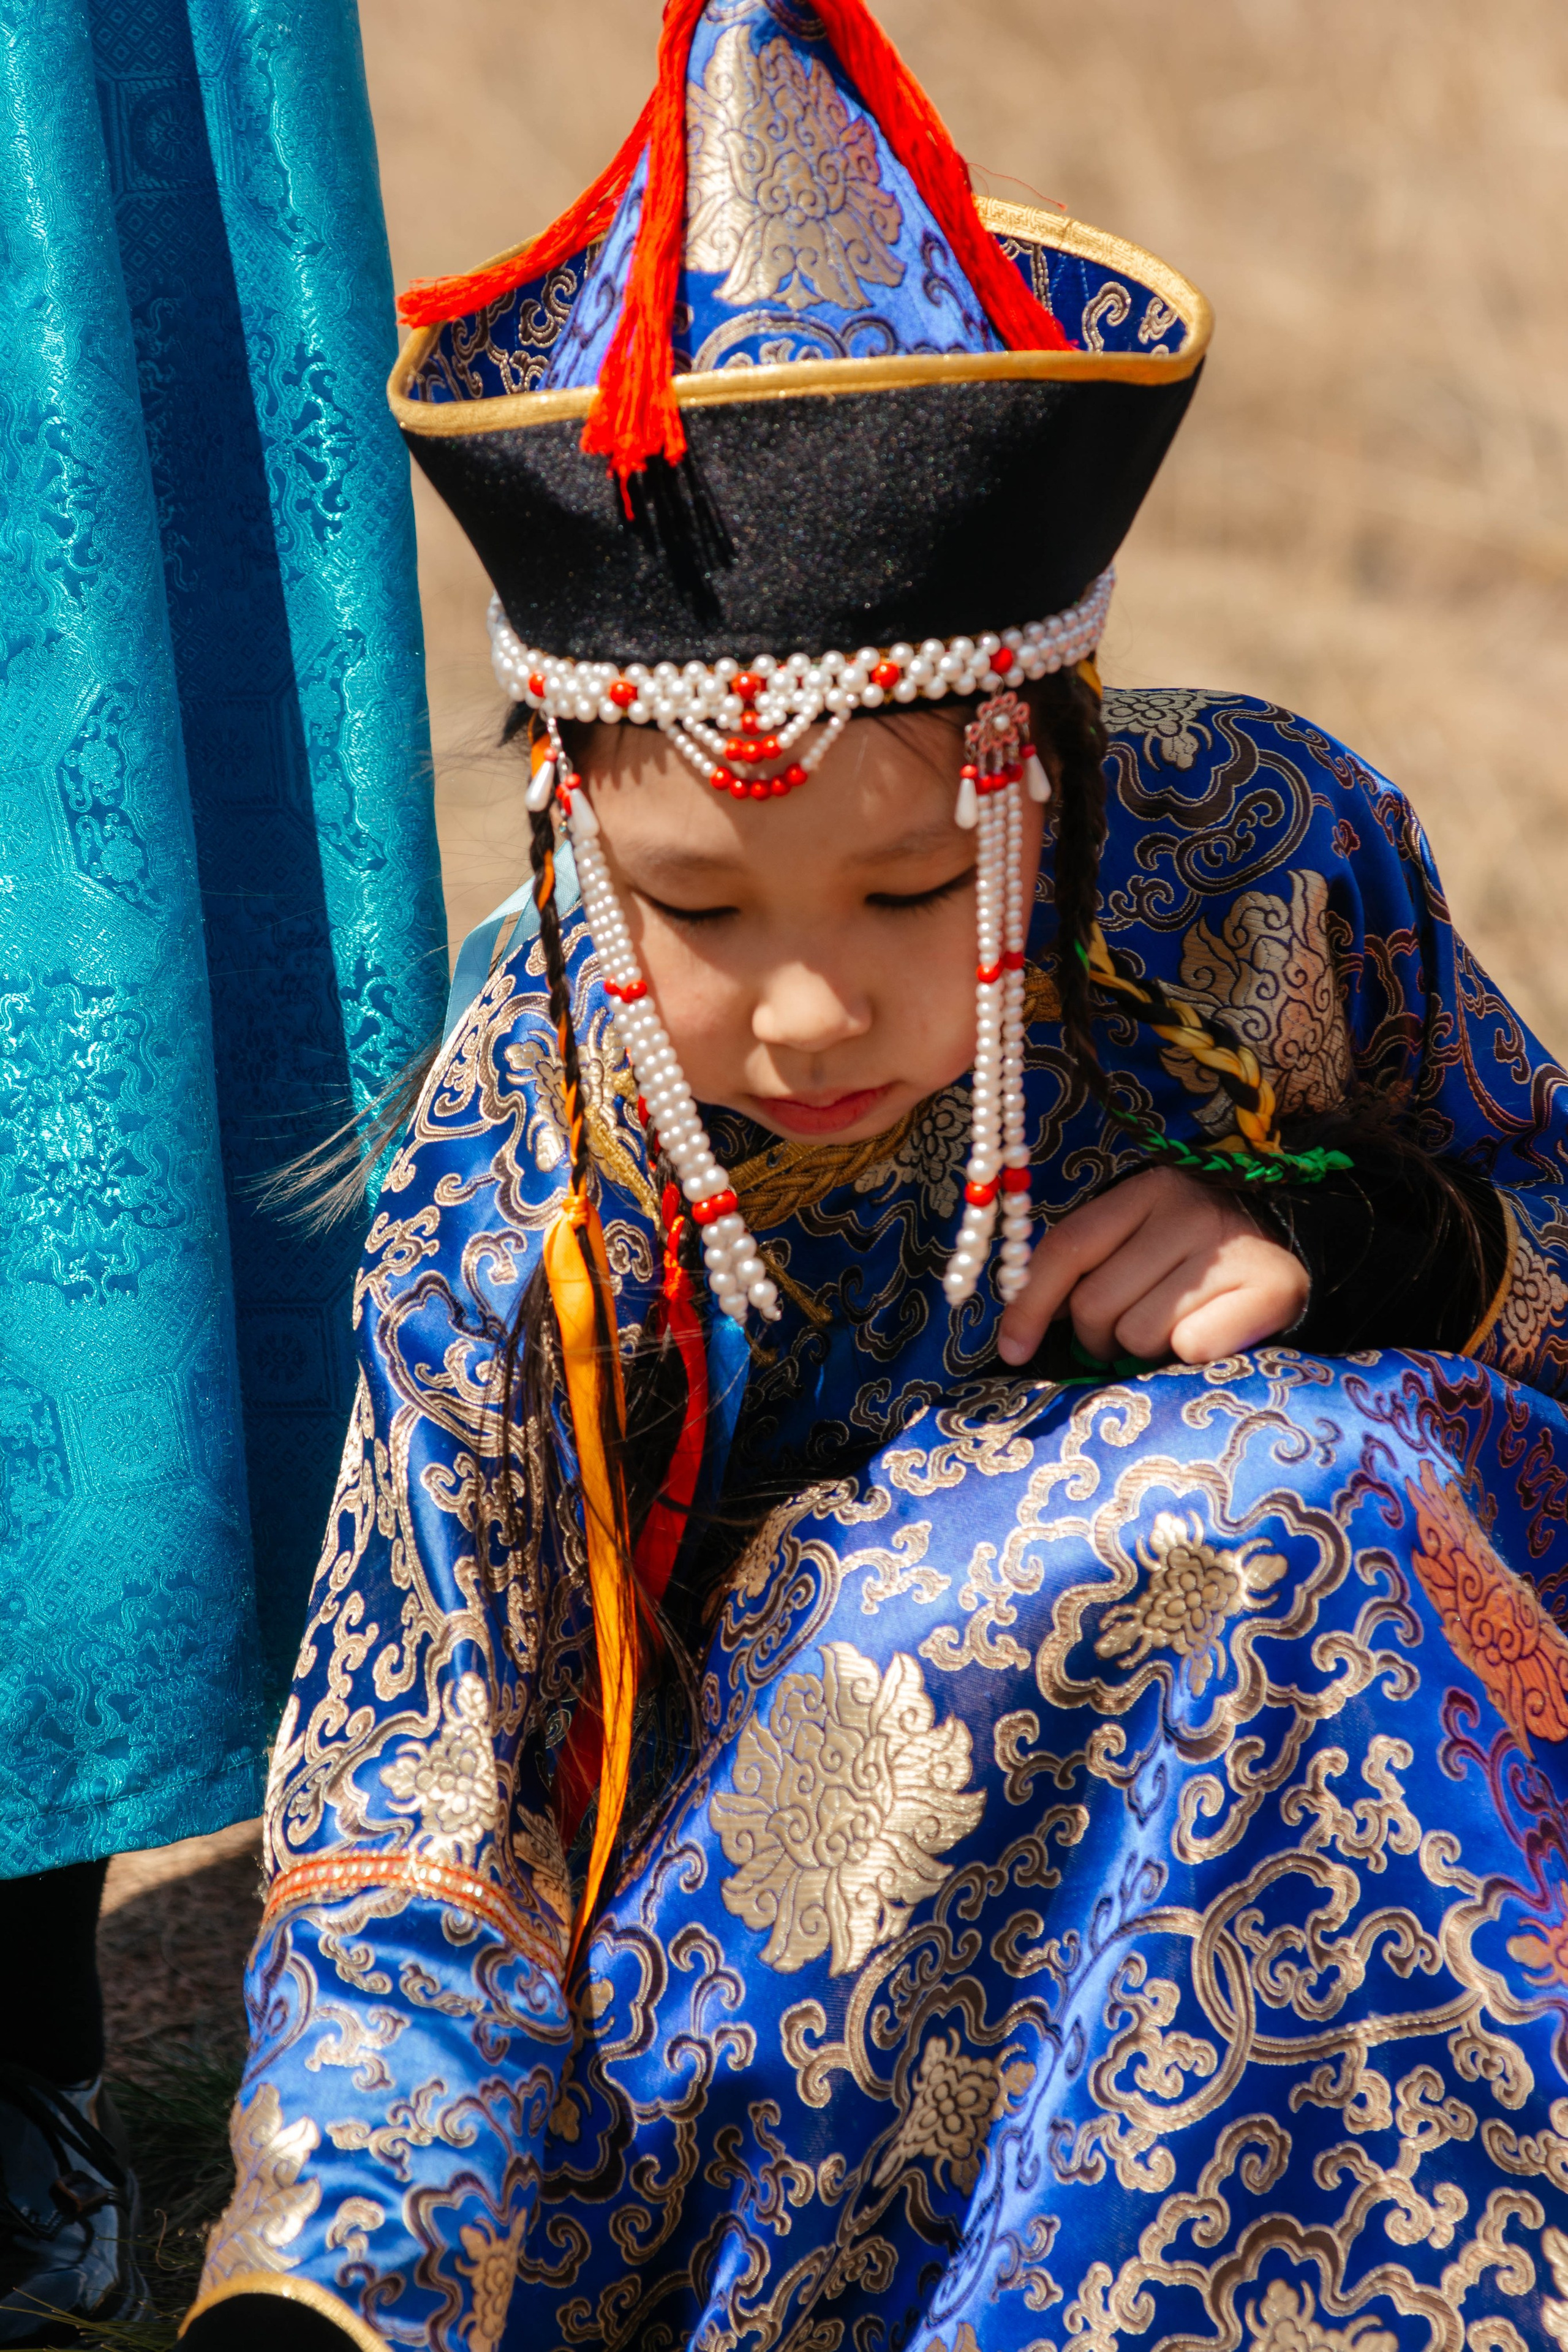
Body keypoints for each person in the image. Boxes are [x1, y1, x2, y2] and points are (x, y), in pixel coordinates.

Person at [183, 2, 1568, 2346]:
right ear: (573, 822)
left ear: (1058, 760)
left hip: (1365, 1796)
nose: (807, 1012)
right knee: (1260, 1505)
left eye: (916, 893)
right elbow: (425, 1796)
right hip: (816, 2015)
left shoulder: (1272, 854)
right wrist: (341, 2287)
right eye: (697, 911)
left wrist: (1367, 1243)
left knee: (1321, 1492)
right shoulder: (538, 1124)